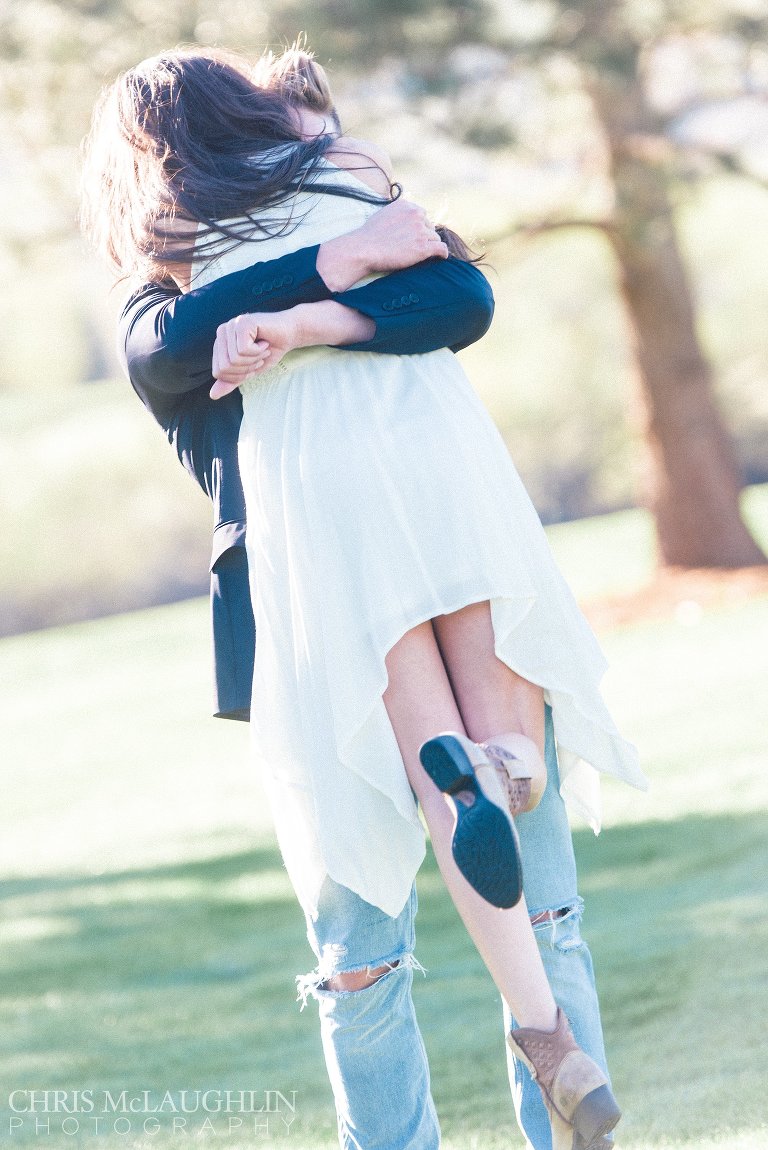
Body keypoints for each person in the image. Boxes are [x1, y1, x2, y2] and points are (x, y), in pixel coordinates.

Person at [83, 44, 648, 1150]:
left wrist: (312, 303)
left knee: (362, 954)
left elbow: (459, 291)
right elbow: (168, 352)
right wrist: (348, 259)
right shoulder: (200, 278)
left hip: (325, 607)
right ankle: (550, 1019)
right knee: (525, 906)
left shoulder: (216, 261)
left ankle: (487, 803)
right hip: (433, 531)